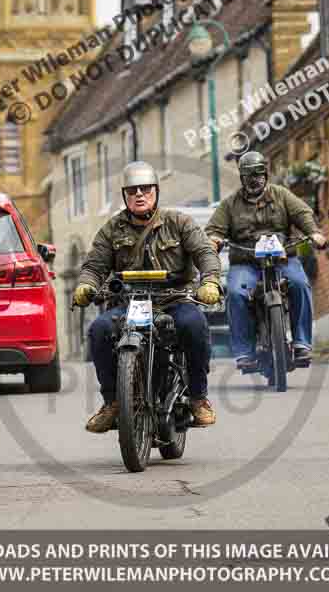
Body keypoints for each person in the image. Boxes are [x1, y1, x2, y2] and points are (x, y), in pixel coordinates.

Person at [73, 161, 222, 433]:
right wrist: (85, 285)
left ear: (156, 191)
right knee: (99, 329)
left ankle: (199, 398)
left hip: (173, 300)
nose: (139, 194)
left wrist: (210, 281)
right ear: (124, 196)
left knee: (195, 325)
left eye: (145, 189)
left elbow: (205, 253)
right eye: (132, 190)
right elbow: (94, 266)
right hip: (128, 304)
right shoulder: (112, 229)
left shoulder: (179, 222)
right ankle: (112, 403)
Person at [205, 151, 326, 371]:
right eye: (249, 175)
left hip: (283, 260)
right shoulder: (230, 204)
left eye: (259, 173)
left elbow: (302, 214)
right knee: (235, 293)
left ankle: (302, 343)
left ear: (266, 174)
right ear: (242, 177)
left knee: (300, 284)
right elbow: (214, 228)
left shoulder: (281, 195)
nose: (255, 179)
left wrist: (314, 233)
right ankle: (244, 352)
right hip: (246, 262)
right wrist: (214, 239)